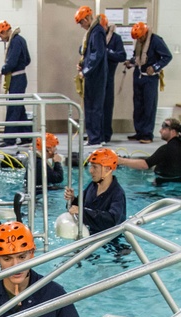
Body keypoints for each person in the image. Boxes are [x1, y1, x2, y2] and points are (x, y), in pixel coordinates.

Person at [118, 118, 181, 185]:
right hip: (180, 185)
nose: (160, 131)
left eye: (164, 128)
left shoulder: (166, 149)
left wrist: (121, 161)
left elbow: (144, 165)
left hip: (162, 186)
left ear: (173, 131)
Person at [125, 22, 173, 144]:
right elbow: (137, 58)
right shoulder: (139, 43)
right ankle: (139, 131)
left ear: (145, 33)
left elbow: (167, 56)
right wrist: (131, 63)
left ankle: (147, 134)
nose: (139, 40)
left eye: (141, 37)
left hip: (150, 79)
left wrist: (155, 67)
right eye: (137, 38)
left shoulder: (156, 40)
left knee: (149, 106)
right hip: (138, 75)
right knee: (138, 106)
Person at [64, 148, 127, 234]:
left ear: (107, 169)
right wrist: (72, 199)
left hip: (110, 242)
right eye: (91, 166)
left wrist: (82, 212)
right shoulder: (92, 186)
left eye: (95, 167)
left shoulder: (117, 194)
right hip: (90, 235)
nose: (90, 171)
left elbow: (112, 222)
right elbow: (78, 207)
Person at [0, 21, 31, 147]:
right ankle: (27, 136)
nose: (1, 39)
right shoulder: (20, 40)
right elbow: (27, 59)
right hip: (20, 77)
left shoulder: (15, 42)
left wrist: (4, 69)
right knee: (19, 108)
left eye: (0, 36)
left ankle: (9, 139)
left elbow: (12, 62)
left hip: (17, 78)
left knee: (13, 108)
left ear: (4, 31)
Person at [75, 6, 107, 147]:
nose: (81, 26)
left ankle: (95, 138)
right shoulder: (92, 31)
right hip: (93, 75)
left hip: (96, 76)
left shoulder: (97, 31)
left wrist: (86, 71)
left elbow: (97, 55)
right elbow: (89, 53)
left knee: (94, 107)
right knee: (90, 106)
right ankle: (93, 136)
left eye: (82, 22)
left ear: (87, 19)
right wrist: (83, 65)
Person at [102, 15, 128, 144]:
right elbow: (82, 49)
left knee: (107, 106)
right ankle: (95, 133)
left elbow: (122, 56)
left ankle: (106, 134)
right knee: (94, 108)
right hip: (95, 77)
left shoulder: (116, 39)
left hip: (108, 77)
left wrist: (106, 52)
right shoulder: (94, 36)